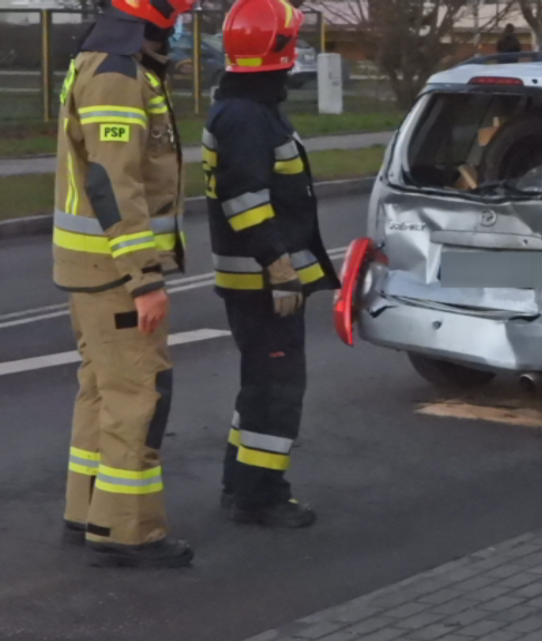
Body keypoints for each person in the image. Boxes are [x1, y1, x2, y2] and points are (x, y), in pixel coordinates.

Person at [54, 0, 194, 568]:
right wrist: (145, 279)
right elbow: (114, 182)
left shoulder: (107, 61)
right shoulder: (117, 73)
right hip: (115, 269)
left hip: (94, 265)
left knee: (103, 390)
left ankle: (87, 509)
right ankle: (127, 531)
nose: (180, 24)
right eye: (177, 14)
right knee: (139, 394)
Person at [205, 0, 339, 528]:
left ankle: (241, 483)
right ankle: (260, 497)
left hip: (259, 279)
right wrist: (279, 266)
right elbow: (245, 200)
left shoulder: (248, 108)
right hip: (264, 282)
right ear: (279, 52)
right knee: (276, 390)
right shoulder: (245, 116)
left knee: (260, 384)